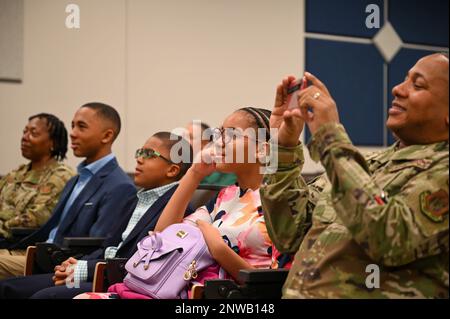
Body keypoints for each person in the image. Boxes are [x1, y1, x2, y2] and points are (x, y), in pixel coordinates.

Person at [260, 53, 449, 298]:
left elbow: (387, 239)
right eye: (404, 79)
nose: (397, 89)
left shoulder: (441, 170)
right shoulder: (367, 163)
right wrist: (283, 146)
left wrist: (329, 135)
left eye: (418, 85)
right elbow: (289, 233)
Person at [75, 107, 291, 299]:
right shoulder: (226, 195)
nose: (220, 143)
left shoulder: (282, 202)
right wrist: (194, 174)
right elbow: (163, 234)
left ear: (263, 148)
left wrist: (216, 246)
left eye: (232, 135)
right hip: (181, 288)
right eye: (220, 134)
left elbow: (271, 282)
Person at [0, 132, 194, 299]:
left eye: (149, 154)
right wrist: (78, 263)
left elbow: (144, 262)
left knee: (44, 296)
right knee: (9, 288)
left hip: (119, 282)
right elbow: (108, 246)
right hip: (98, 270)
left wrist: (86, 269)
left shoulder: (178, 210)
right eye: (139, 152)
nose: (139, 159)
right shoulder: (135, 199)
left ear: (172, 169)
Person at [0, 102, 136, 280]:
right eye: (72, 126)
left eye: (81, 127)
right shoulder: (76, 179)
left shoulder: (119, 186)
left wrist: (66, 270)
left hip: (61, 264)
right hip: (37, 253)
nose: (72, 133)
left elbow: (100, 248)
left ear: (107, 135)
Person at [0, 113, 75, 240]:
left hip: (21, 247)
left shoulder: (62, 176)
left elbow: (36, 219)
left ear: (53, 143)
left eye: (33, 134)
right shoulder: (16, 173)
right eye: (24, 132)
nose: (24, 138)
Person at [185, 121, 237, 186]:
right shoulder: (181, 168)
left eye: (190, 137)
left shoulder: (224, 170)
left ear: (205, 143)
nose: (183, 140)